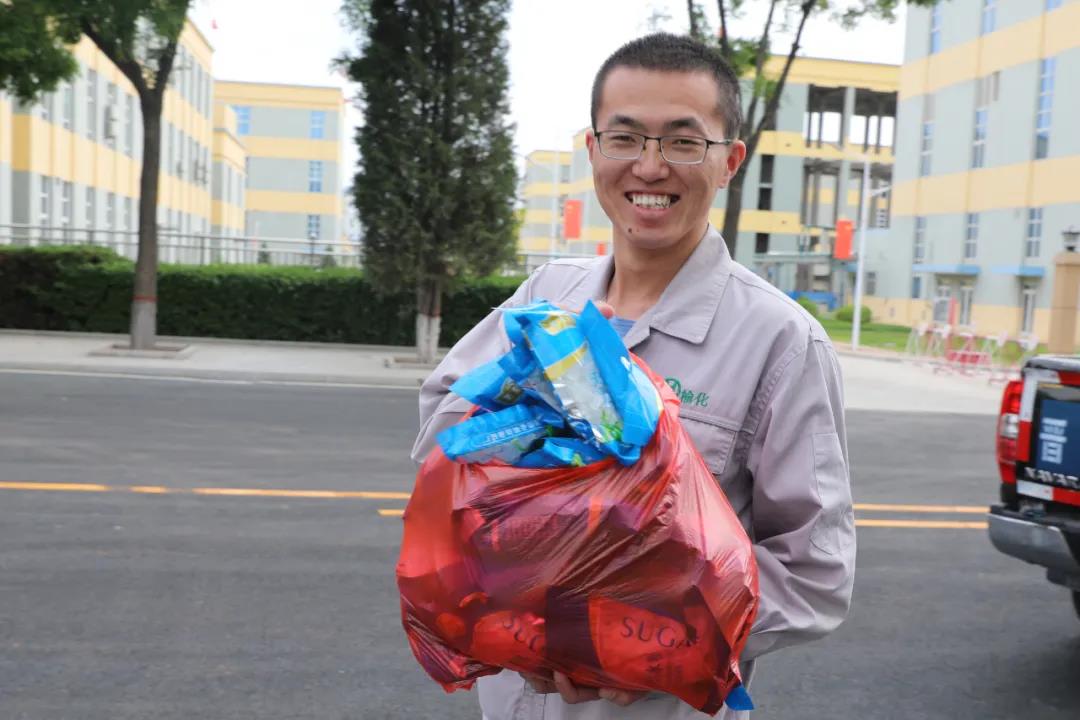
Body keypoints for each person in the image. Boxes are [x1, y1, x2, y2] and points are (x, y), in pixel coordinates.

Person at [411, 32, 855, 720]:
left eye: (683, 141)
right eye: (625, 138)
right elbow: (441, 437)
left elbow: (814, 572)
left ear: (730, 161)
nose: (650, 166)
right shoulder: (546, 299)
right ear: (594, 150)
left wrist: (644, 643)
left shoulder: (781, 341)